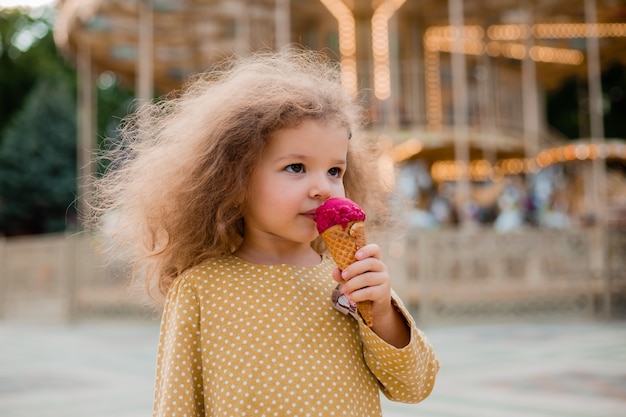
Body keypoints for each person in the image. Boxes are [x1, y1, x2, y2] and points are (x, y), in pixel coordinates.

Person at [91, 49, 439, 417]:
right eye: (296, 167)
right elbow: (177, 406)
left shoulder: (350, 279)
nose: (322, 187)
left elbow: (415, 386)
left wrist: (382, 312)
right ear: (235, 179)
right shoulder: (200, 290)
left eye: (335, 171)